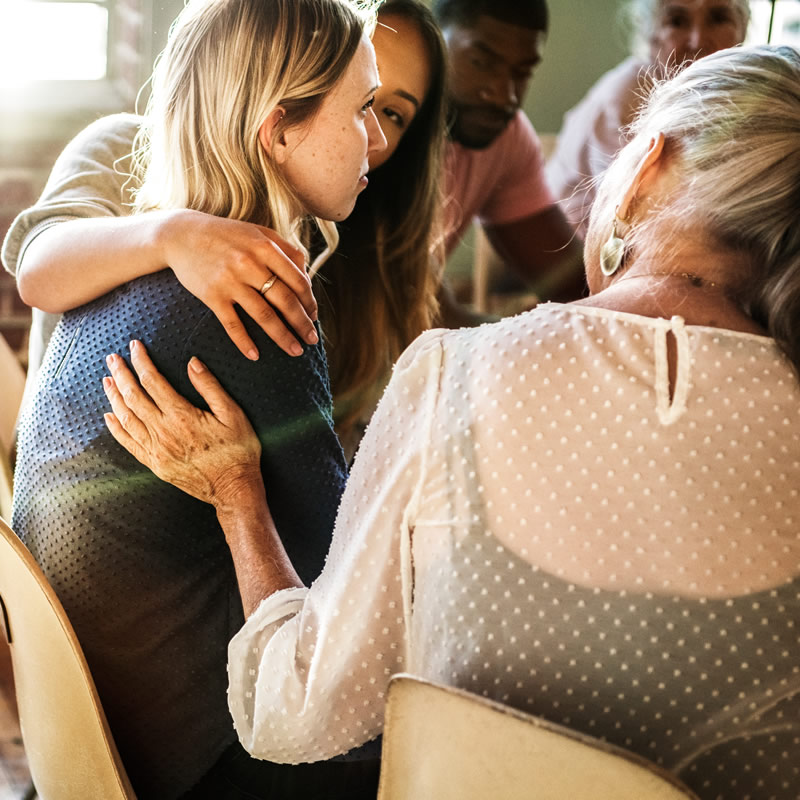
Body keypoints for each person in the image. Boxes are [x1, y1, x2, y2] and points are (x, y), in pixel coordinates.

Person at [104, 43, 800, 799]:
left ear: (651, 164)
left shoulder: (454, 376)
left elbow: (294, 715)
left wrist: (239, 498)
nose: (377, 140)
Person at [12, 0, 388, 797]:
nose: (379, 140)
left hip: (101, 749)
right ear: (279, 127)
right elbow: (340, 610)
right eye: (362, 111)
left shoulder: (117, 280)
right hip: (207, 766)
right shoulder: (251, 305)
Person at [2, 1, 446, 462]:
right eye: (361, 96)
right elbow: (37, 270)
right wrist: (174, 236)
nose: (372, 131)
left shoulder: (343, 240)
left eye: (390, 111)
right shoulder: (122, 149)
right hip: (68, 495)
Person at [433, 0, 586, 320]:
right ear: (430, 39)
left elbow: (572, 285)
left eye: (522, 72)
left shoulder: (507, 138)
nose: (505, 95)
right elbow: (414, 313)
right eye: (481, 62)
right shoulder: (377, 128)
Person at [546, 0, 749, 238]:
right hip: (567, 254)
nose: (698, 40)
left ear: (742, 31)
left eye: (718, 19)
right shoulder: (628, 97)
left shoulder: (733, 95)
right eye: (677, 22)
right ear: (651, 36)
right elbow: (629, 221)